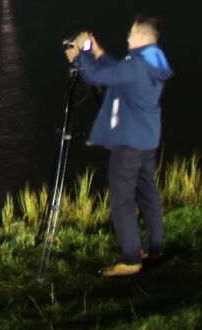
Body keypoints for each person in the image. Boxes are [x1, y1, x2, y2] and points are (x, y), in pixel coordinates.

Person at [64, 16, 173, 277]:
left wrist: (80, 57)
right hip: (147, 138)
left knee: (122, 200)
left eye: (133, 34)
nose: (128, 38)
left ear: (145, 38)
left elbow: (98, 77)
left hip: (128, 142)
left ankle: (131, 258)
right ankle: (156, 247)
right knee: (147, 193)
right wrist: (97, 51)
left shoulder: (137, 65)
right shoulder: (152, 60)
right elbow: (119, 72)